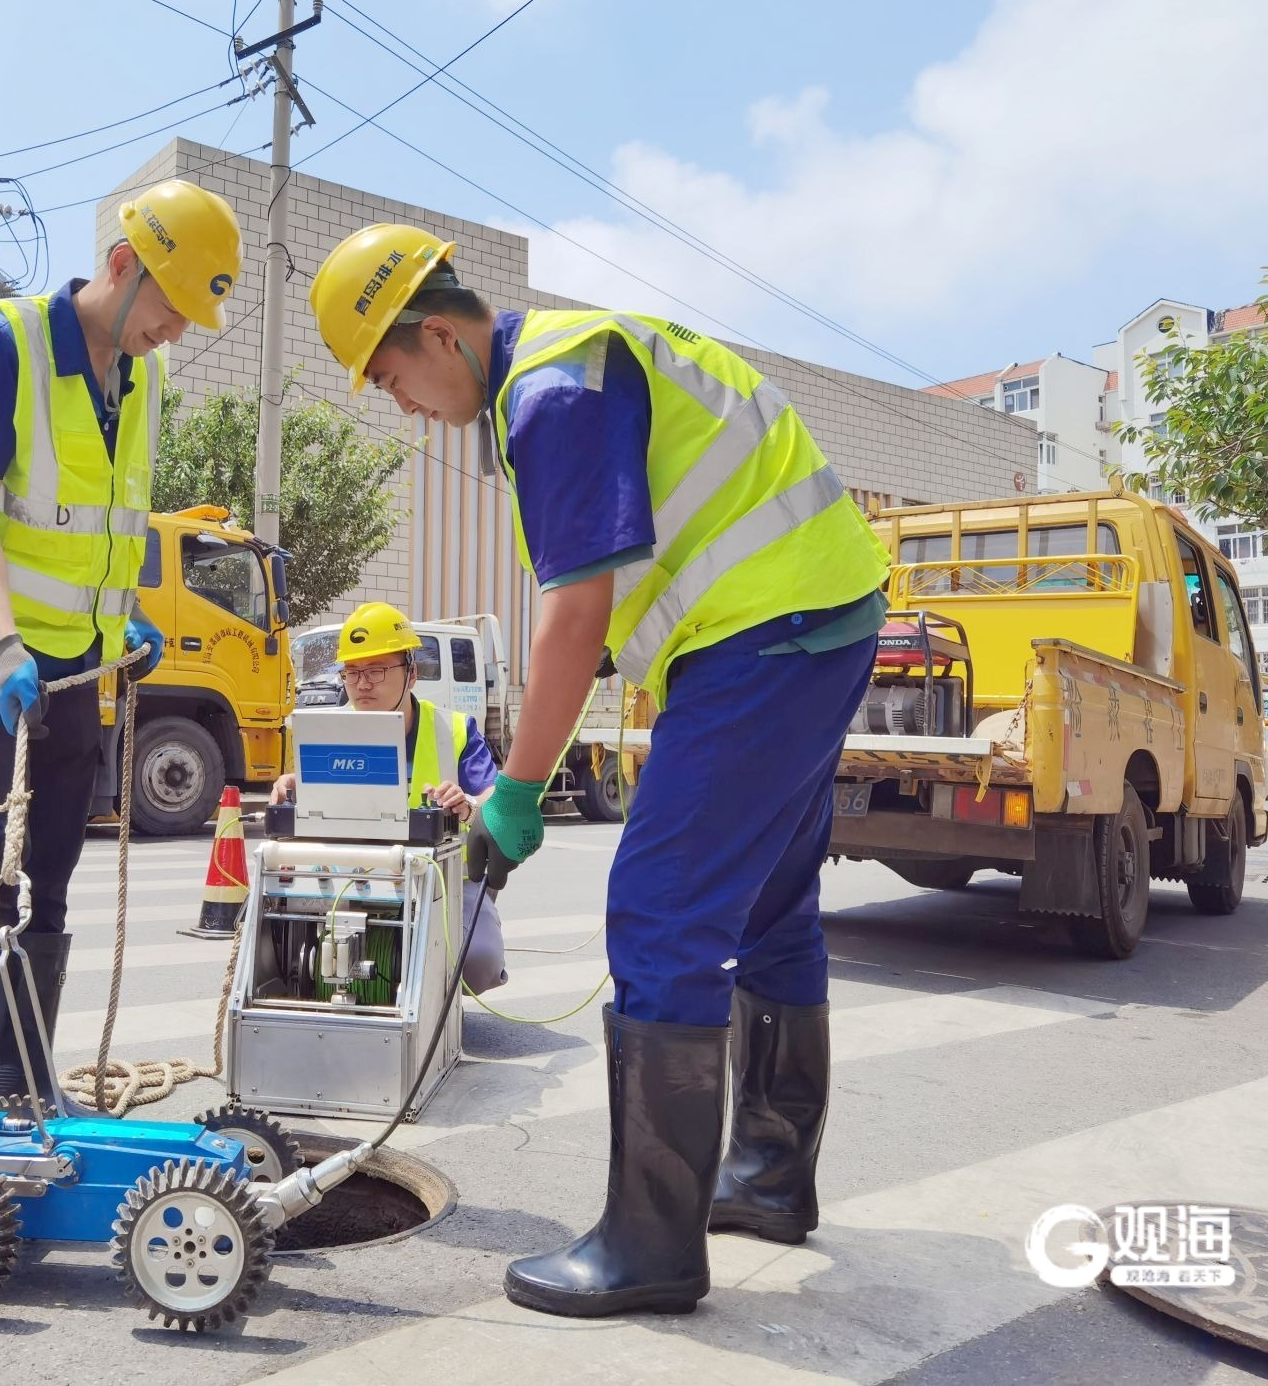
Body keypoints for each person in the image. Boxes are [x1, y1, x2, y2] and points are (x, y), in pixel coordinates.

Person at [307, 225, 891, 1318]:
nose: (402, 403)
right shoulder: (578, 355)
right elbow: (654, 566)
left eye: (392, 376)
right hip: (814, 610)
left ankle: (651, 1243)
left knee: (661, 906)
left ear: (441, 333)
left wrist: (515, 794)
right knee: (768, 905)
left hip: (770, 627)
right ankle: (765, 1178)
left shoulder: (550, 396)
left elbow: (574, 618)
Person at [0, 179, 243, 1124]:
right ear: (124, 266)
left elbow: (115, 514)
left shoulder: (145, 379)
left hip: (76, 659)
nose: (175, 332)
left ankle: (16, 1081)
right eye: (172, 307)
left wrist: (124, 612)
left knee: (49, 868)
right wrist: (7, 639)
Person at [270, 601, 508, 993]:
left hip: (444, 882)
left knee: (479, 962)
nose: (363, 683)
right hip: (353, 876)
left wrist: (467, 803)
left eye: (377, 670)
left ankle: (436, 993)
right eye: (353, 672)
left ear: (411, 674)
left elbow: (495, 802)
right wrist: (294, 785)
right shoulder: (326, 730)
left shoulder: (453, 729)